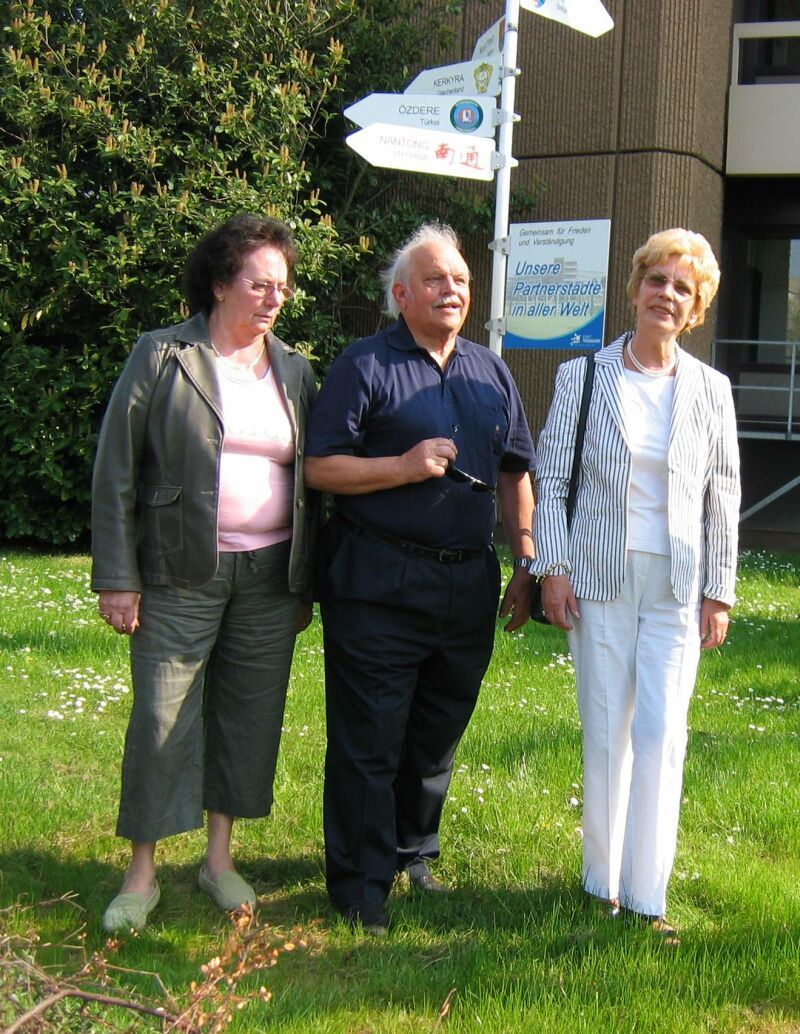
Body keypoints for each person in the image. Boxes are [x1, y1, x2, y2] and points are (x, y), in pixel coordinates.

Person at [305, 223, 536, 933]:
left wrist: (526, 560)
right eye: (436, 279)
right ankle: (360, 887)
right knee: (369, 737)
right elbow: (320, 466)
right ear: (400, 293)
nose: (452, 290)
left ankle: (414, 852)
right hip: (377, 577)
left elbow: (513, 473)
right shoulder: (365, 364)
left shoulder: (489, 371)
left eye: (461, 280)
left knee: (437, 731)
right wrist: (401, 467)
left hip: (466, 584)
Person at [91, 213, 317, 932]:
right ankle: (142, 871)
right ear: (221, 283)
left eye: (282, 286)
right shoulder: (162, 356)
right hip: (178, 570)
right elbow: (116, 470)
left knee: (248, 716)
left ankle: (219, 860)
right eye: (259, 283)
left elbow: (313, 479)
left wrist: (307, 578)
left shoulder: (297, 369)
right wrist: (117, 577)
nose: (274, 298)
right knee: (162, 716)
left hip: (271, 575)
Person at [533, 228, 741, 939]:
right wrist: (551, 568)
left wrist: (721, 589)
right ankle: (602, 883)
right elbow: (551, 481)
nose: (667, 295)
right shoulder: (582, 378)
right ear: (635, 288)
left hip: (677, 587)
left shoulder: (712, 390)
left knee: (661, 732)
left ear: (696, 309)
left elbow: (724, 494)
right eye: (657, 280)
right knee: (606, 732)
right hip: (598, 580)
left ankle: (647, 893)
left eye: (683, 288)